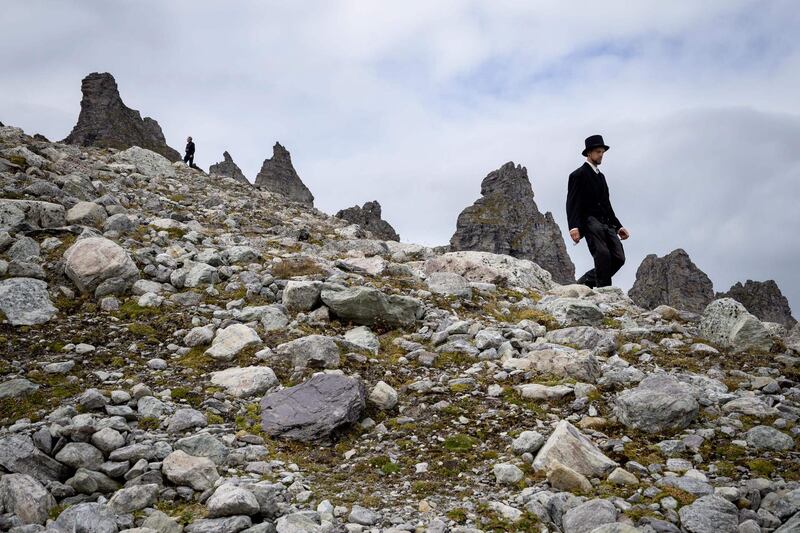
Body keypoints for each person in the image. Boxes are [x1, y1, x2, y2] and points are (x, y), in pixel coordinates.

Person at [566, 134, 630, 288]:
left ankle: (585, 281)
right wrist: (573, 227)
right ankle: (604, 290)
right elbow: (572, 202)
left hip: (607, 223)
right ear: (589, 153)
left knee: (619, 257)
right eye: (598, 152)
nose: (601, 155)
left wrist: (619, 226)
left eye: (602, 152)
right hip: (590, 222)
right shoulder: (577, 175)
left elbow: (607, 205)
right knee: (602, 255)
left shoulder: (602, 177)